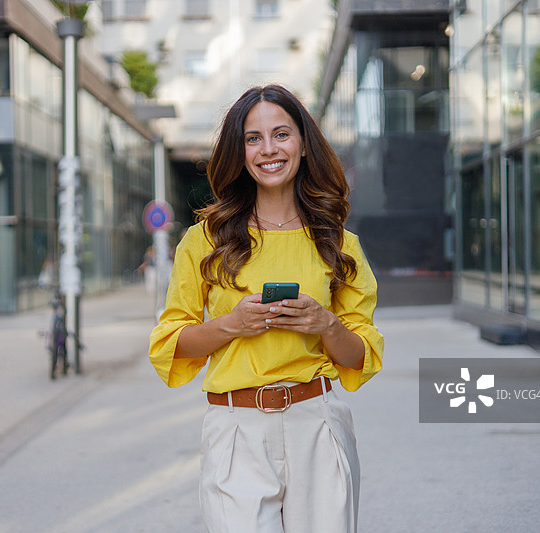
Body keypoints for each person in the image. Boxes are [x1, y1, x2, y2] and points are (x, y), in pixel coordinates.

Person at [149, 85, 384, 533]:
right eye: (253, 138)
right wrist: (232, 325)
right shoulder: (203, 241)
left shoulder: (338, 243)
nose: (269, 149)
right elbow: (170, 343)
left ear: (302, 143)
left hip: (316, 423)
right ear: (238, 152)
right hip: (235, 428)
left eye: (281, 134)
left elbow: (360, 356)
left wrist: (326, 324)